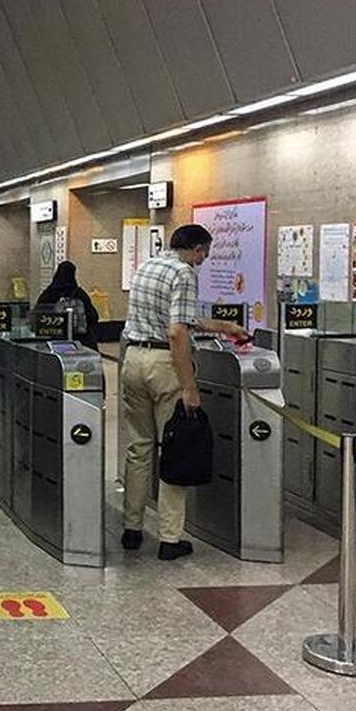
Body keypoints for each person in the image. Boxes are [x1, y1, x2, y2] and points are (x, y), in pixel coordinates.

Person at [120, 224, 248, 561]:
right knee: (175, 447)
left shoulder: (148, 266)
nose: (203, 260)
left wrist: (226, 327)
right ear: (196, 248)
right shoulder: (184, 273)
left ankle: (132, 528)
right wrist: (189, 386)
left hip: (133, 359)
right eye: (204, 253)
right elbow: (177, 333)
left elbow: (181, 318)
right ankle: (170, 538)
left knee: (139, 447)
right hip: (164, 365)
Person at [36, 260, 100, 349]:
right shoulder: (79, 294)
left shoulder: (49, 294)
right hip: (81, 342)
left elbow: (38, 315)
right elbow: (93, 316)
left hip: (55, 341)